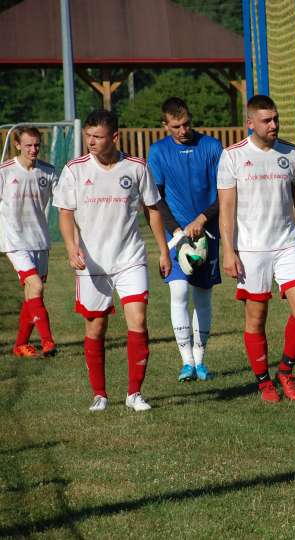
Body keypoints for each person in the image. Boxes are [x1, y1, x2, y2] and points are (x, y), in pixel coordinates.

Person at [54, 110, 171, 412]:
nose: (90, 142)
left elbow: (152, 208)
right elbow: (65, 213)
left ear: (115, 137)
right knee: (96, 329)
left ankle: (135, 394)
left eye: (97, 137)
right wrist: (71, 247)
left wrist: (164, 249)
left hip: (129, 258)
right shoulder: (75, 170)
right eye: (88, 136)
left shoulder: (136, 168)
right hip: (92, 264)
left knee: (139, 321)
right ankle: (100, 394)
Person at [217, 94, 295, 403]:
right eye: (267, 120)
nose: (274, 124)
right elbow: (226, 208)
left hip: (286, 244)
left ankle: (286, 370)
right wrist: (228, 250)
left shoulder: (291, 153)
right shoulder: (233, 156)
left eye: (276, 118)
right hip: (250, 249)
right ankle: (264, 382)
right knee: (256, 318)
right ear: (251, 123)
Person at [148, 97, 223, 383]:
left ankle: (201, 361)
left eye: (187, 124)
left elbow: (225, 192)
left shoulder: (212, 147)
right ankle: (187, 362)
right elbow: (155, 199)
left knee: (202, 297)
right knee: (179, 293)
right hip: (176, 235)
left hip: (209, 232)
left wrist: (202, 219)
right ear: (165, 125)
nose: (183, 130)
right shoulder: (158, 152)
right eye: (176, 126)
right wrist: (177, 231)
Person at [1, 127, 58, 358]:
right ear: (17, 145)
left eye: (36, 145)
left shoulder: (49, 172)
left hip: (40, 241)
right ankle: (48, 342)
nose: (33, 149)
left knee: (33, 295)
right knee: (36, 286)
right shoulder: (4, 172)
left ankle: (20, 345)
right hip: (14, 241)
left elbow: (66, 201)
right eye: (28, 145)